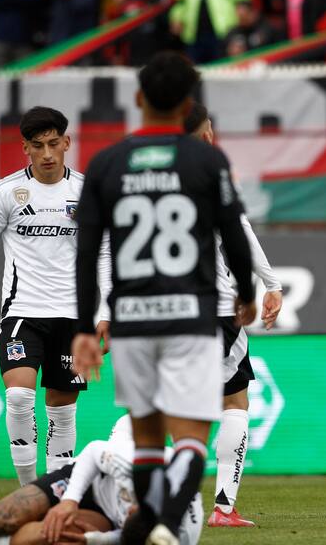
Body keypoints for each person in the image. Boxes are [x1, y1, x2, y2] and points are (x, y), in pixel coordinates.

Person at [70, 51, 256, 545]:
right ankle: (160, 527)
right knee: (192, 442)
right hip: (191, 319)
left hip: (132, 324)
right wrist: (247, 292)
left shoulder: (107, 163)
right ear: (188, 104)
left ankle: (148, 529)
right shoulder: (206, 160)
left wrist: (88, 326)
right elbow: (234, 236)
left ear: (138, 99)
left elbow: (87, 253)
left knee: (149, 443)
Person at [0, 107, 110, 486]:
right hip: (22, 313)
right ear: (25, 149)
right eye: (38, 146)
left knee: (61, 413)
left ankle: (55, 492)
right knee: (18, 397)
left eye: (54, 144)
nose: (47, 153)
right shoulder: (6, 192)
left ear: (67, 142)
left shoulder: (85, 191)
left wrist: (107, 312)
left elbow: (104, 251)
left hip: (72, 317)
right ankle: (28, 492)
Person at [184, 102, 284, 528]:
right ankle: (214, 506)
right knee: (220, 401)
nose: (211, 139)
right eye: (207, 131)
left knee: (225, 395)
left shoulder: (142, 177)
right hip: (216, 306)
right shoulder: (210, 175)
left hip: (162, 309)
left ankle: (209, 505)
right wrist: (268, 285)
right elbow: (239, 231)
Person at [0, 416, 202, 545]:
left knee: (52, 537)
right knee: (3, 518)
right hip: (91, 478)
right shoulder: (135, 466)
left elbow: (126, 538)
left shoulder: (181, 536)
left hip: (106, 515)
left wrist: (92, 539)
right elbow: (94, 450)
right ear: (137, 506)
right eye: (129, 512)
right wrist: (70, 501)